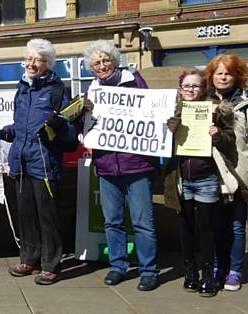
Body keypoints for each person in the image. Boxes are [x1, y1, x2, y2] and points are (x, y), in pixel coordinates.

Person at [0, 38, 78, 285]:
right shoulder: (22, 88)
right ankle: (29, 258)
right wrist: (3, 132)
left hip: (45, 163)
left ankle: (51, 265)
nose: (31, 63)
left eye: (37, 60)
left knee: (47, 217)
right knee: (25, 215)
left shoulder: (57, 90)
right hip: (22, 162)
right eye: (28, 59)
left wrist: (58, 125)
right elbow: (20, 127)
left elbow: (70, 135)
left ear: (48, 64)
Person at [81, 39, 159, 291]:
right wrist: (84, 114)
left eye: (105, 60)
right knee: (112, 221)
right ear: (91, 69)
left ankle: (149, 270)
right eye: (96, 63)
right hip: (106, 166)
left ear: (115, 60)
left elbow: (152, 116)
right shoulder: (91, 92)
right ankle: (118, 266)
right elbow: (84, 127)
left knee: (142, 222)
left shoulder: (135, 82)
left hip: (137, 165)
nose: (102, 66)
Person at [163, 69, 237, 297]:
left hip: (206, 178)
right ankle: (189, 273)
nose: (191, 90)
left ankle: (207, 276)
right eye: (187, 86)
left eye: (196, 86)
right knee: (185, 226)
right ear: (180, 89)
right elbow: (157, 144)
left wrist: (217, 134)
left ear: (203, 89)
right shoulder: (170, 112)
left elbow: (230, 142)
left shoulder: (214, 110)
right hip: (181, 179)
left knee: (206, 228)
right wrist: (169, 130)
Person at [206, 54, 248, 291]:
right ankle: (218, 267)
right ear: (212, 76)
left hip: (239, 175)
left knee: (236, 226)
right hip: (211, 176)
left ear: (238, 76)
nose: (223, 77)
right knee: (216, 226)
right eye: (219, 73)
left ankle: (235, 271)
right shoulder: (203, 105)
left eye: (228, 73)